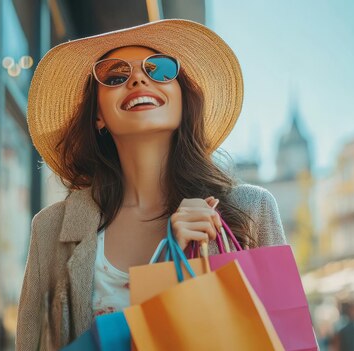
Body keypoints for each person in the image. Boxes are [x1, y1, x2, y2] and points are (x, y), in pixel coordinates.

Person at [16, 19, 287, 350]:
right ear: (98, 115)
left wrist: (187, 261)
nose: (138, 78)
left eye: (159, 70)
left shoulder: (250, 209)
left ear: (182, 99)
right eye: (116, 76)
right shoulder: (50, 230)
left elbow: (284, 336)